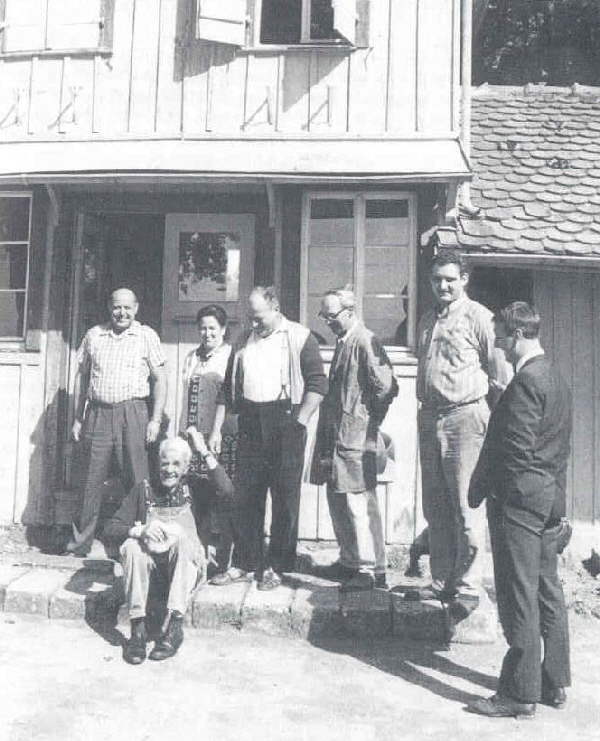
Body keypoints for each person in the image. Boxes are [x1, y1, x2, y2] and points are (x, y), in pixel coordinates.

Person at [466, 302, 572, 719]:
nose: (498, 347)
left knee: (519, 594)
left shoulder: (526, 381)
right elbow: (552, 447)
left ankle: (519, 693)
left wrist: (500, 499)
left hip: (521, 506)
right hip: (548, 500)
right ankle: (553, 681)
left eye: (500, 339)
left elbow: (517, 453)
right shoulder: (555, 378)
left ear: (517, 336)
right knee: (547, 591)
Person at [211, 286, 327, 590]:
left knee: (285, 498)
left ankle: (277, 565)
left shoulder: (301, 337)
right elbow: (227, 389)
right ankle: (246, 562)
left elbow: (317, 384)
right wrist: (217, 430)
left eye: (258, 317)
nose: (253, 323)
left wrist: (300, 421)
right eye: (249, 317)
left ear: (275, 308)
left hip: (286, 420)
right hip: (250, 421)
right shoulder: (242, 341)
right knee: (246, 496)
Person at [412, 250, 509, 606]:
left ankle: (468, 586)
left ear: (464, 279)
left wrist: (493, 426)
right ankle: (441, 580)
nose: (443, 285)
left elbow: (500, 377)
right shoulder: (427, 320)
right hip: (430, 418)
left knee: (466, 506)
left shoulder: (479, 318)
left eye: (450, 279)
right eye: (437, 279)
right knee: (435, 505)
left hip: (465, 419)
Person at [102, 436, 233, 664]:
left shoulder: (196, 487)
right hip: (152, 572)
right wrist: (140, 531)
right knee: (132, 546)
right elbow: (111, 529)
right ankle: (138, 630)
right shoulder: (143, 490)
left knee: (181, 539)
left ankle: (174, 627)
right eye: (165, 463)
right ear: (158, 464)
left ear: (185, 467)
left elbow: (228, 491)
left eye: (176, 464)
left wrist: (203, 450)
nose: (169, 470)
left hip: (185, 570)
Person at [66, 288, 167, 557]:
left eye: (127, 308)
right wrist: (78, 417)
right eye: (116, 308)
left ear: (136, 308)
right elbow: (82, 377)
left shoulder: (146, 336)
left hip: (132, 412)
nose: (122, 313)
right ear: (109, 308)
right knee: (90, 477)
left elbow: (160, 380)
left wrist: (155, 419)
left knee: (138, 477)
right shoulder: (94, 335)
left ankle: (147, 539)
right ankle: (80, 542)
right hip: (98, 413)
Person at [312, 288, 398, 590]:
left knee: (359, 503)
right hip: (338, 436)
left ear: (349, 311)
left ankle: (370, 569)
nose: (327, 322)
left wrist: (367, 422)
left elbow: (387, 387)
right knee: (337, 498)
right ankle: (350, 561)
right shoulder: (344, 341)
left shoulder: (364, 340)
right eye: (324, 316)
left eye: (331, 316)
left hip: (356, 438)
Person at [181, 304, 237, 576]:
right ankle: (199, 557)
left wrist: (215, 433)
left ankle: (225, 559)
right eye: (203, 328)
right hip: (193, 436)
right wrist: (184, 433)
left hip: (220, 437)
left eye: (212, 328)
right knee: (198, 496)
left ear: (223, 330)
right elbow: (185, 399)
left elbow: (227, 399)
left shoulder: (229, 356)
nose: (207, 333)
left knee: (223, 495)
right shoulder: (192, 357)